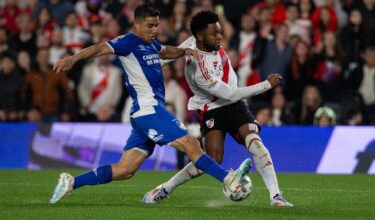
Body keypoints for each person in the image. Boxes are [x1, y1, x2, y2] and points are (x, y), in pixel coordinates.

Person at [49, 4, 251, 204]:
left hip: (145, 113)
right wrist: (72, 59)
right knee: (191, 144)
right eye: (150, 25)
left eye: (156, 25)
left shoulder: (151, 44)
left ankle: (71, 182)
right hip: (149, 110)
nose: (154, 30)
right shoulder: (127, 42)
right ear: (136, 24)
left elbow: (164, 52)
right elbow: (99, 48)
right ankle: (228, 179)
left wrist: (184, 52)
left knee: (125, 169)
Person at [143, 11, 293, 207]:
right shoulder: (199, 71)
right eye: (215, 34)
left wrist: (154, 61)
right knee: (211, 160)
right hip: (213, 109)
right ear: (200, 36)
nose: (220, 37)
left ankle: (276, 197)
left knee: (256, 143)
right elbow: (230, 93)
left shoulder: (192, 42)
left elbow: (164, 57)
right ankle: (166, 187)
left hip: (236, 106)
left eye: (220, 32)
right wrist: (266, 85)